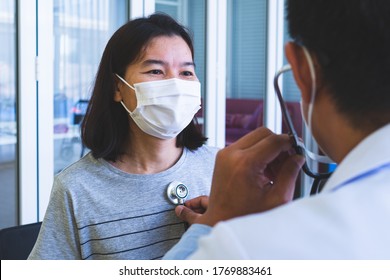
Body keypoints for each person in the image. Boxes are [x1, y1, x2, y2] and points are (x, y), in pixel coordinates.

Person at [164, 0, 390, 259]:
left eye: (186, 72)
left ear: (301, 70)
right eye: (156, 70)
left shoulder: (247, 249)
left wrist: (215, 224)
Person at [28, 13, 218, 260]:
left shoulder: (222, 168)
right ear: (118, 88)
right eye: (156, 71)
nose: (175, 85)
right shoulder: (76, 188)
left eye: (186, 73)